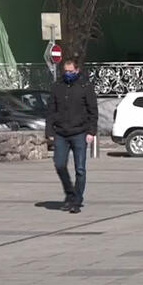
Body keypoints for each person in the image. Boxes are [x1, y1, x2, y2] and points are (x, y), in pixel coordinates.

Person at [45, 57, 99, 214]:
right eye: (66, 71)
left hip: (80, 133)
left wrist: (91, 132)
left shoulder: (85, 87)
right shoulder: (57, 86)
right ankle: (69, 193)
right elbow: (51, 110)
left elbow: (93, 111)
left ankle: (77, 200)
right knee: (59, 164)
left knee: (80, 169)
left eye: (71, 71)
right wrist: (50, 131)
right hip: (61, 132)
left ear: (77, 70)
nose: (68, 74)